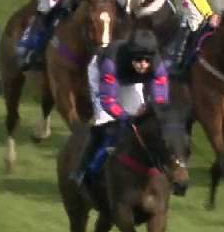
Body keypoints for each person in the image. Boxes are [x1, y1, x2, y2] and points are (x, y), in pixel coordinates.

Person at [70, 29, 171, 185]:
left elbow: (160, 100)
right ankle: (83, 169)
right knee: (105, 123)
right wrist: (125, 116)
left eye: (147, 60)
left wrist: (151, 111)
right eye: (138, 60)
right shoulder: (112, 63)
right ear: (131, 55)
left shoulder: (158, 65)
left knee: (140, 123)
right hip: (101, 75)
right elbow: (108, 101)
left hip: (130, 81)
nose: (143, 65)